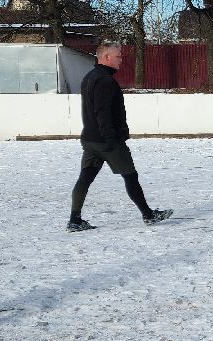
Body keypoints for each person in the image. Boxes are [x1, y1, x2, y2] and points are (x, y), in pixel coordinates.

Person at [67, 41, 172, 231]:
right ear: (106, 57)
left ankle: (74, 220)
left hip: (90, 140)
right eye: (118, 56)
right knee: (130, 176)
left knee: (85, 178)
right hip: (107, 141)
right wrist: (110, 139)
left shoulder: (89, 77)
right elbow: (102, 112)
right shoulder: (105, 81)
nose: (121, 60)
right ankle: (148, 215)